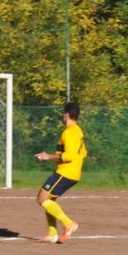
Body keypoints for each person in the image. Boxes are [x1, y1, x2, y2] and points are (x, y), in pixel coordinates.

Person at [34, 102, 87, 244]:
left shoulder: (69, 132)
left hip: (66, 172)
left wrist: (48, 156)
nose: (62, 115)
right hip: (70, 172)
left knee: (41, 198)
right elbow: (83, 153)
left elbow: (69, 156)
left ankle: (69, 223)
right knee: (49, 201)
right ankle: (52, 234)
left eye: (63, 112)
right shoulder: (78, 131)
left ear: (67, 115)